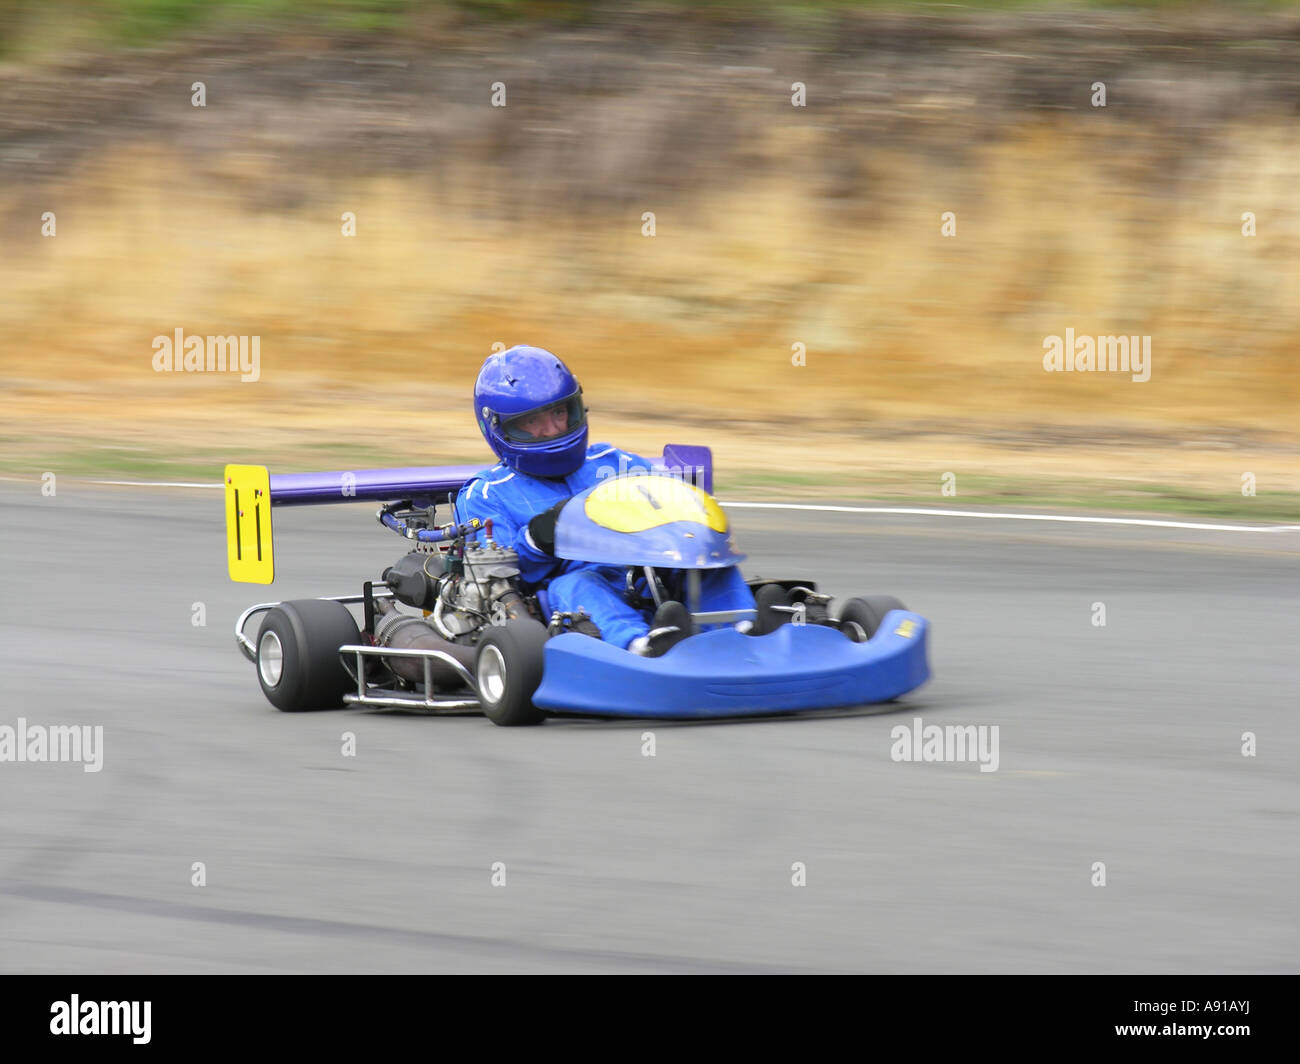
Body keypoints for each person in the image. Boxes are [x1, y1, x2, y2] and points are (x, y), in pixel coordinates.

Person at [453, 345, 756, 656]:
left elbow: (673, 511)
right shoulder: (486, 493)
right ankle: (640, 647)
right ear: (499, 427)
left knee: (708, 564)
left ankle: (743, 631)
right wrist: (537, 538)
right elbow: (497, 581)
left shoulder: (613, 460)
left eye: (559, 412)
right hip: (568, 603)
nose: (553, 429)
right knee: (577, 583)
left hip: (644, 575)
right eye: (532, 422)